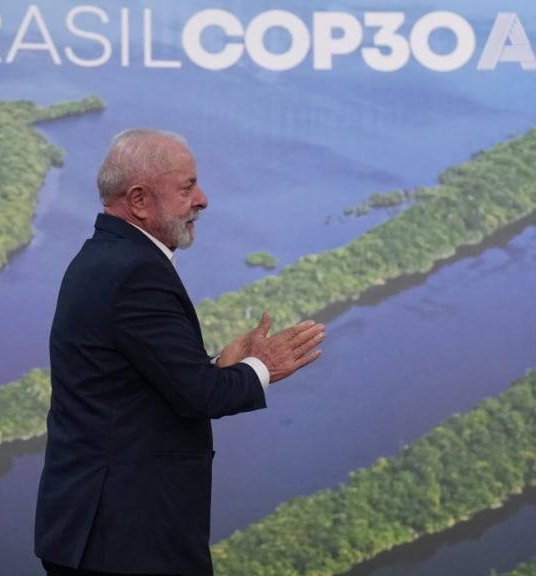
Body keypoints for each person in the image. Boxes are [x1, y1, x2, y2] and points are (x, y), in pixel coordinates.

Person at [34, 129, 324, 576]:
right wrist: (262, 367)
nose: (202, 200)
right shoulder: (136, 273)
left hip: (95, 534)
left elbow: (137, 382)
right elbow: (200, 397)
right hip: (128, 543)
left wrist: (218, 366)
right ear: (139, 200)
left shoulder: (100, 258)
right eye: (187, 188)